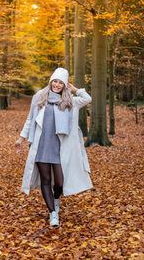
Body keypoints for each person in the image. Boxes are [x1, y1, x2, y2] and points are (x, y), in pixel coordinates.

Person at [15, 67, 93, 226]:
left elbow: (87, 99)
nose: (57, 85)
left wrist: (76, 90)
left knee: (59, 182)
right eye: (55, 81)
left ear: (65, 85)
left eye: (60, 82)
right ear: (51, 81)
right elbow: (30, 119)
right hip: (41, 145)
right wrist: (21, 138)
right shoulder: (39, 98)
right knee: (45, 180)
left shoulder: (70, 101)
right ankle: (52, 213)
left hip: (59, 147)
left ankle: (56, 200)